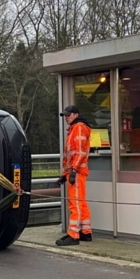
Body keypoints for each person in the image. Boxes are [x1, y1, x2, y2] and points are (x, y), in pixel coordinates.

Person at [57, 105, 93, 246]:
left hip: (76, 173)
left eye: (68, 115)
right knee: (81, 202)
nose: (66, 118)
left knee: (75, 203)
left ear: (76, 115)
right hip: (77, 172)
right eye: (65, 116)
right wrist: (65, 174)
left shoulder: (78, 128)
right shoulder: (76, 128)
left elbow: (79, 152)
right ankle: (85, 232)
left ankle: (73, 234)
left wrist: (72, 171)